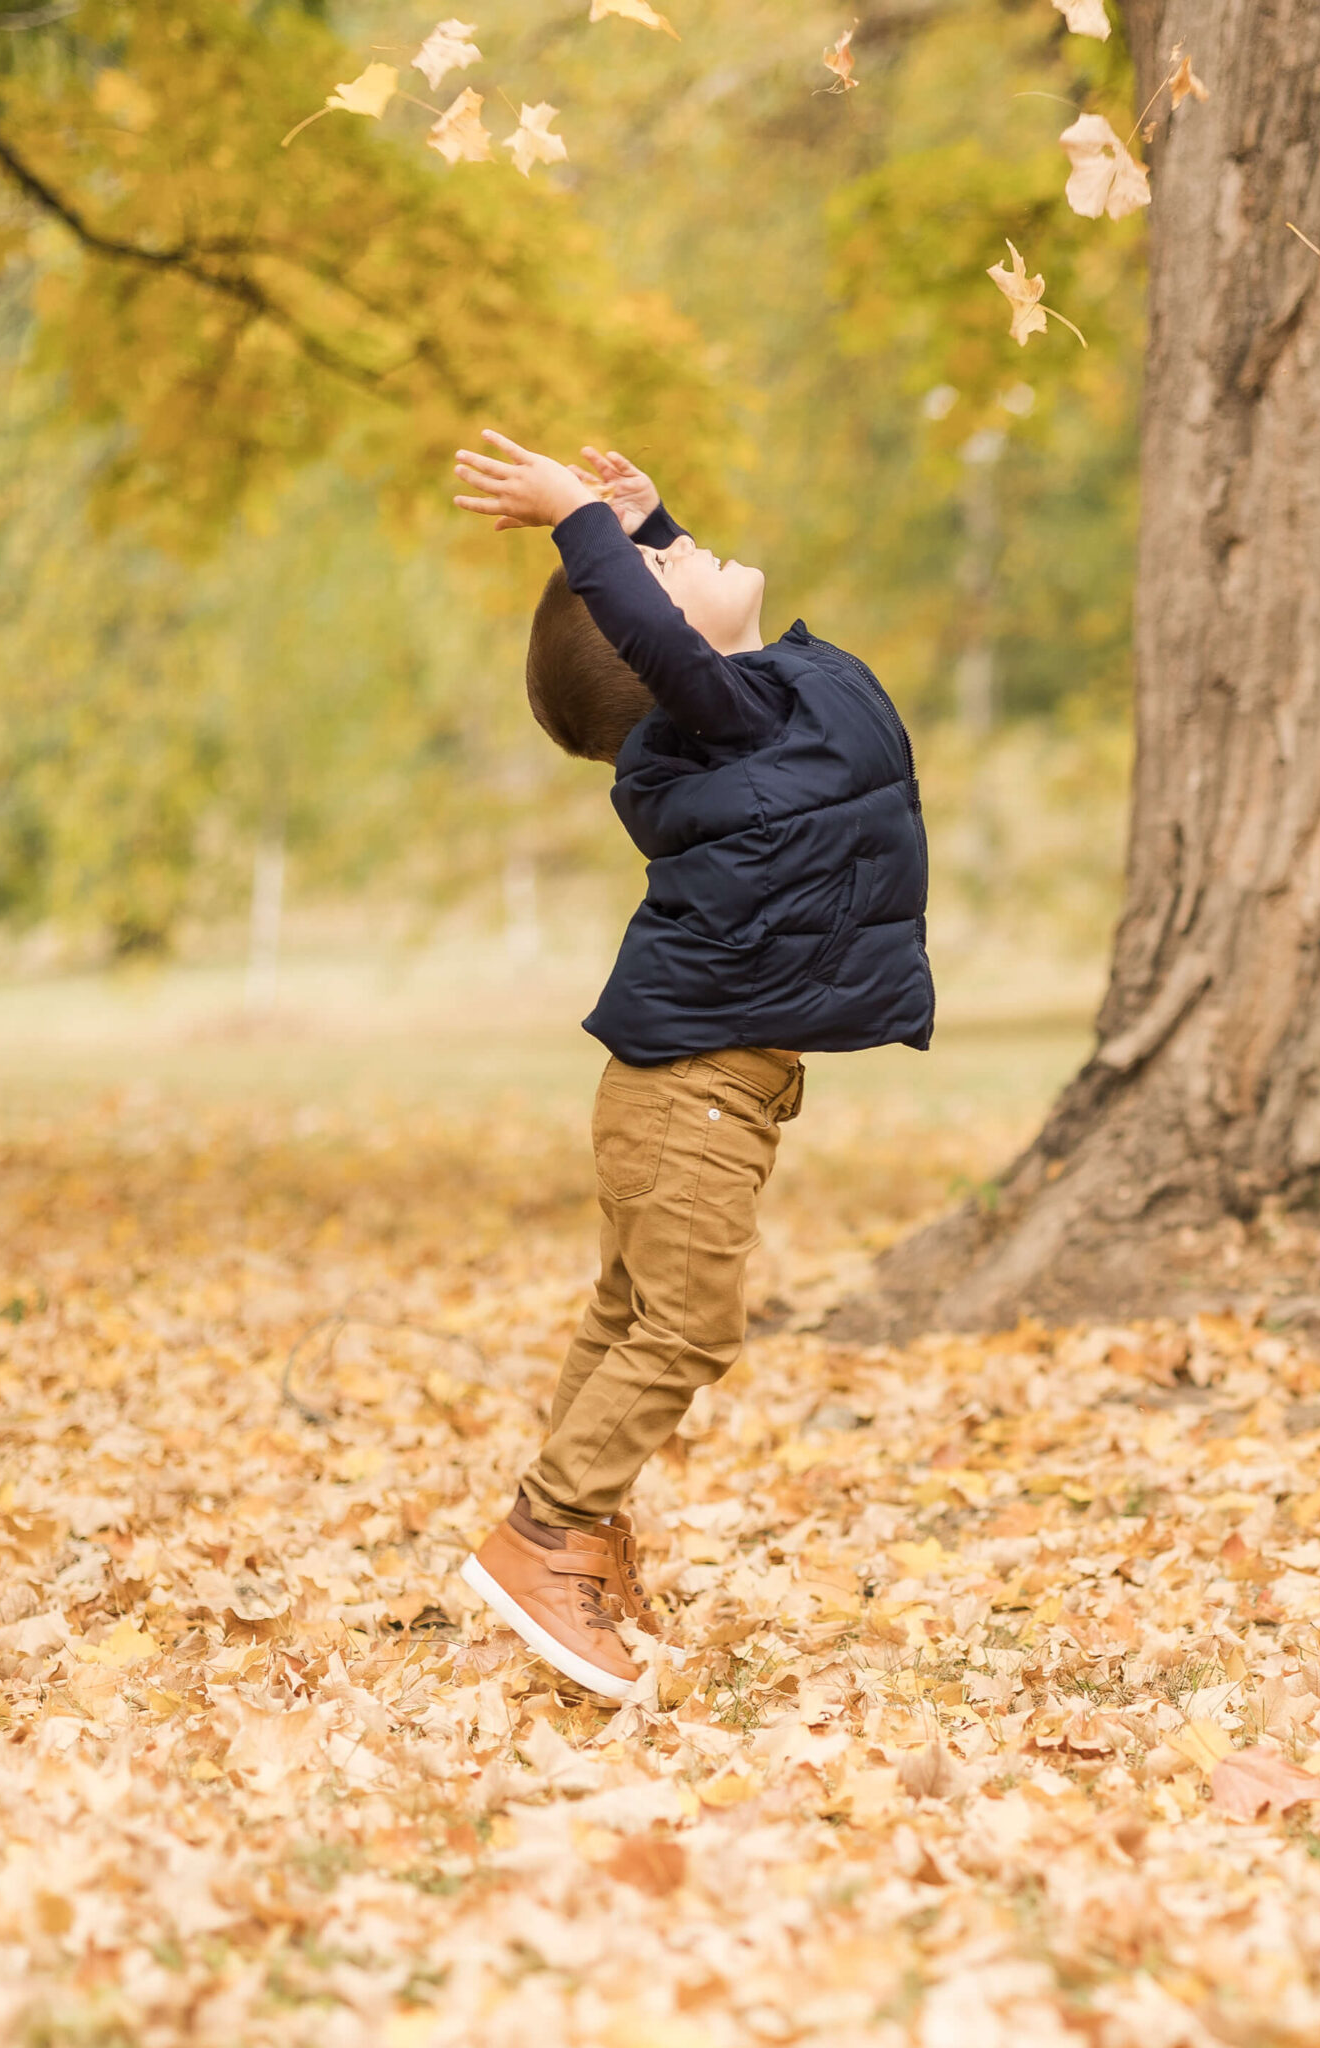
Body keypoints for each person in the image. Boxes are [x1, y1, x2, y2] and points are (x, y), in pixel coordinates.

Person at [446, 431, 933, 1697]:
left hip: (693, 1091)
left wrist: (647, 527)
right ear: (664, 655)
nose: (686, 556)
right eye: (664, 571)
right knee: (688, 1326)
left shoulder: (754, 712)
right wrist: (577, 527)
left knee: (627, 1318)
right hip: (691, 1095)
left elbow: (672, 635)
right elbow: (661, 643)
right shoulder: (722, 720)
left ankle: (576, 1539)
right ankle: (547, 1533)